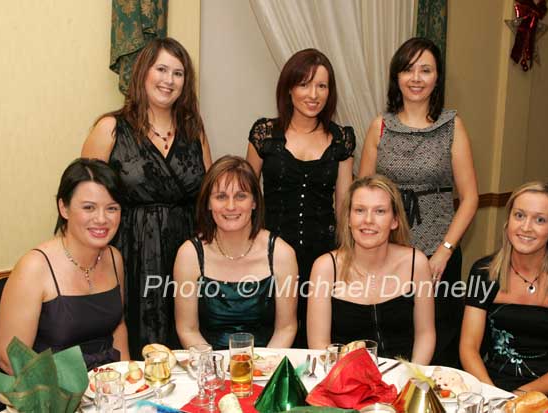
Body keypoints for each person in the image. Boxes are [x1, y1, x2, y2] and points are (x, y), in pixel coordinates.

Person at [82, 37, 212, 355]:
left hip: (185, 254)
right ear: (143, 73)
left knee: (185, 340)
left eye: (178, 73)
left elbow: (209, 197)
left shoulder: (194, 130)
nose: (169, 80)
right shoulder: (111, 128)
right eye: (162, 69)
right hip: (128, 253)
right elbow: (84, 199)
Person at [358, 37, 478, 366]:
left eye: (426, 70)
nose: (416, 78)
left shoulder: (452, 126)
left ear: (437, 77)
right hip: (387, 250)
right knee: (395, 331)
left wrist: (444, 251)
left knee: (438, 335)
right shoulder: (379, 127)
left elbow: (469, 198)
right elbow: (362, 194)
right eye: (408, 69)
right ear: (396, 76)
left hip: (439, 251)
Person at [246, 48, 355, 347]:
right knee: (274, 336)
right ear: (289, 87)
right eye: (305, 84)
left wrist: (346, 258)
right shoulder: (264, 134)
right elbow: (247, 196)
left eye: (322, 86)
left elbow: (344, 205)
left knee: (316, 341)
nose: (313, 94)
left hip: (323, 257)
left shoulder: (341, 139)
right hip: (270, 256)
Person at [460, 182, 548, 412]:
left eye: (540, 220)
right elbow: (468, 347)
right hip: (490, 385)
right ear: (508, 221)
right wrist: (493, 397)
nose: (526, 227)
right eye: (519, 215)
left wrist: (517, 399)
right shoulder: (483, 273)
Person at [0, 158, 130, 374]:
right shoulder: (34, 267)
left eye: (112, 208)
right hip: (52, 395)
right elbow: (9, 360)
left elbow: (118, 328)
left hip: (108, 392)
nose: (101, 219)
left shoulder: (114, 258)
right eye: (89, 207)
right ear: (64, 208)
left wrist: (128, 383)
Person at [307, 175, 435, 364]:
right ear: (348, 219)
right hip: (345, 380)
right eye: (359, 210)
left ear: (395, 221)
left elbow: (426, 335)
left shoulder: (416, 263)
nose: (368, 220)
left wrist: (410, 380)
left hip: (404, 380)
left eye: (380, 211)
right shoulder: (325, 268)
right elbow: (320, 345)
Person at [174, 156, 298, 350]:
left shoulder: (281, 254)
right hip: (208, 367)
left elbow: (286, 328)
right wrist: (214, 371)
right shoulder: (189, 254)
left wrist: (262, 369)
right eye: (221, 196)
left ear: (255, 202)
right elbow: (187, 329)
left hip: (266, 368)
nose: (231, 206)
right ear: (208, 203)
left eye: (241, 196)